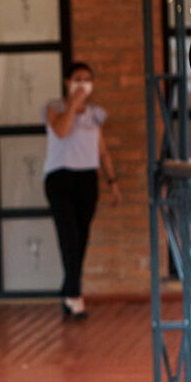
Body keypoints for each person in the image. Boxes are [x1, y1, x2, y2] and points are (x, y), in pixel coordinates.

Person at [43, 60, 121, 318]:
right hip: (60, 178)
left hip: (87, 178)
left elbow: (102, 151)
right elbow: (62, 132)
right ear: (67, 81)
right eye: (77, 78)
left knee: (82, 236)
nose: (82, 83)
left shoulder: (95, 114)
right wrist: (74, 103)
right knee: (68, 235)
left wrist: (113, 183)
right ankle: (75, 296)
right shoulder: (54, 108)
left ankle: (69, 291)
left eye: (87, 79)